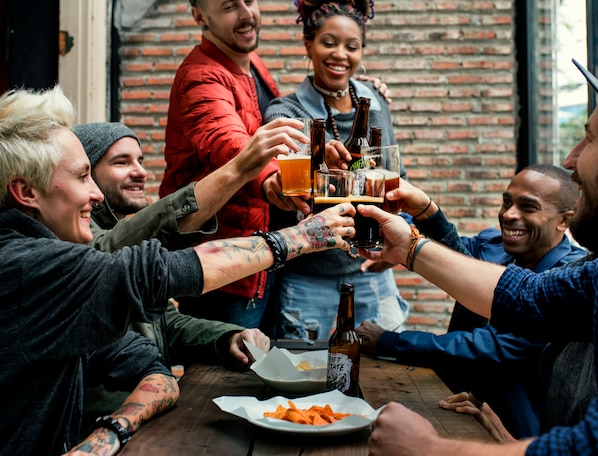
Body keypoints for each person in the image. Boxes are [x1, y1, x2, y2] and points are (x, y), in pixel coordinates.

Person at [0, 86, 354, 455]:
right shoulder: (28, 267)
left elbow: (151, 368)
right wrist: (299, 238)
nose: (96, 194)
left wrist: (111, 435)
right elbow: (160, 272)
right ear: (26, 191)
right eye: (81, 176)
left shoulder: (46, 264)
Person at [359, 59, 598, 455]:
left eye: (589, 139)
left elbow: (595, 447)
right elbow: (527, 296)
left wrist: (427, 448)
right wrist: (410, 248)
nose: (571, 159)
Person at [160, 0, 389, 331]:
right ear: (200, 16)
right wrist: (271, 181)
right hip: (226, 269)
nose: (246, 13)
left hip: (262, 261)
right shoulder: (202, 77)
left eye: (250, 1)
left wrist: (362, 88)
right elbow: (227, 144)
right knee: (227, 373)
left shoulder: (249, 63)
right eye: (228, 6)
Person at [356, 164, 587, 438]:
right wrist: (421, 211)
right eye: (506, 202)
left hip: (515, 433)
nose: (509, 214)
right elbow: (453, 257)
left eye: (528, 207)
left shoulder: (572, 276)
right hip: (452, 406)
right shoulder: (492, 244)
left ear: (564, 221)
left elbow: (496, 344)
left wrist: (389, 340)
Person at [263, 0, 410, 339]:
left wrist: (402, 240)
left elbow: (397, 178)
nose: (340, 54)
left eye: (351, 46)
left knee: (385, 369)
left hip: (372, 271)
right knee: (300, 369)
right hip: (307, 275)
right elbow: (293, 165)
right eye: (329, 42)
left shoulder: (373, 103)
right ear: (307, 45)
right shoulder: (285, 109)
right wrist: (320, 154)